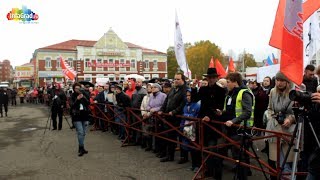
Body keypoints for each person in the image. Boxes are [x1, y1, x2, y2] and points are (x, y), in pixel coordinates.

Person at [216, 72, 254, 179]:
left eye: (228, 82)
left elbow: (247, 112)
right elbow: (229, 109)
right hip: (230, 128)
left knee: (240, 155)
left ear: (235, 82)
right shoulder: (230, 94)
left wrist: (233, 121)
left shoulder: (244, 93)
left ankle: (243, 175)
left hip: (241, 129)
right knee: (236, 154)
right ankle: (241, 173)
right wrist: (222, 113)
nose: (226, 84)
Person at [195, 67, 226, 179]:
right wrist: (194, 88)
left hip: (214, 123)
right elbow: (195, 99)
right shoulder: (203, 89)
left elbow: (220, 107)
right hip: (203, 122)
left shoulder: (221, 90)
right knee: (204, 148)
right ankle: (207, 170)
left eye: (213, 77)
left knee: (214, 150)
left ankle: (217, 174)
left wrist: (210, 116)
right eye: (210, 77)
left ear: (216, 78)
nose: (211, 79)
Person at [264, 71, 295, 180]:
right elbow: (269, 108)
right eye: (277, 80)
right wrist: (272, 117)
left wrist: (291, 118)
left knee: (288, 159)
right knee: (274, 159)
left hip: (289, 130)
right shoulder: (272, 91)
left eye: (282, 80)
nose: (279, 83)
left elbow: (298, 112)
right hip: (274, 128)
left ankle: (287, 176)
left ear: (287, 82)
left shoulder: (293, 92)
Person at [158, 72, 187, 163]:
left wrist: (174, 112)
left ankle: (183, 157)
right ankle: (170, 156)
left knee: (182, 138)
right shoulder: (173, 89)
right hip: (169, 118)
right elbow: (166, 100)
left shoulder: (185, 90)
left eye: (178, 79)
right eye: (175, 79)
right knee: (170, 137)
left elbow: (183, 104)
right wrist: (162, 110)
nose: (176, 81)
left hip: (179, 118)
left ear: (183, 80)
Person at [180, 88, 201, 172]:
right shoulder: (186, 105)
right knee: (190, 147)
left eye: (189, 95)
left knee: (195, 148)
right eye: (187, 95)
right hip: (186, 128)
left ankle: (198, 165)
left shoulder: (197, 105)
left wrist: (186, 115)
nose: (188, 97)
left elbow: (196, 116)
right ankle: (193, 165)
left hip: (194, 129)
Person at [70, 82, 90, 156]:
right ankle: (81, 148)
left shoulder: (84, 94)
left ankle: (81, 147)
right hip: (76, 116)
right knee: (80, 132)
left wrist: (83, 97)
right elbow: (72, 106)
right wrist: (77, 99)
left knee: (84, 133)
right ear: (74, 89)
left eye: (79, 88)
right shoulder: (72, 96)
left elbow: (88, 103)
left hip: (85, 115)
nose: (77, 90)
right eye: (76, 88)